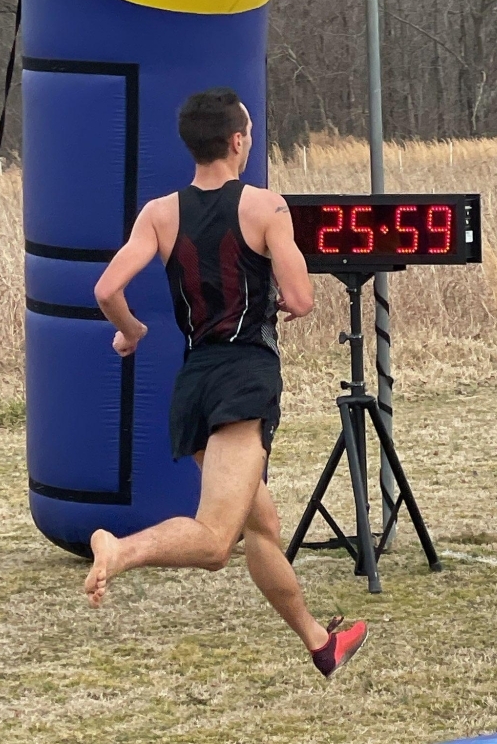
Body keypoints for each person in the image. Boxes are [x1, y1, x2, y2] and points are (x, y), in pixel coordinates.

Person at [84, 88, 367, 678]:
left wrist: (131, 331)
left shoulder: (159, 213)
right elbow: (302, 299)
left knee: (260, 525)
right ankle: (120, 549)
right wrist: (281, 303)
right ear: (239, 140)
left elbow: (107, 290)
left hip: (195, 385)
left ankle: (320, 643)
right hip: (244, 380)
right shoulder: (268, 208)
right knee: (216, 542)